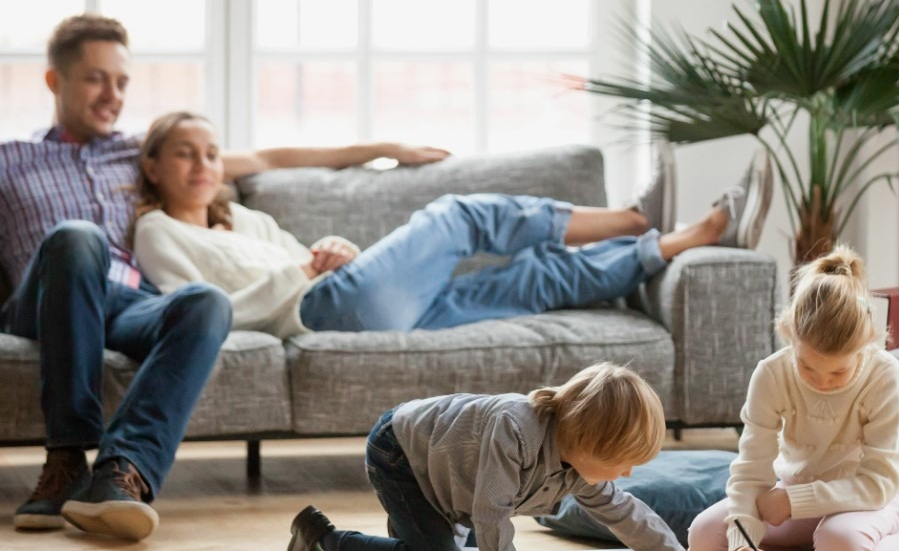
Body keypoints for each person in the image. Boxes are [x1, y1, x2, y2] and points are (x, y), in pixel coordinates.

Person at [0, 13, 448, 540]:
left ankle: (123, 475)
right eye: (96, 78)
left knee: (206, 302)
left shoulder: (138, 152)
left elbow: (268, 157)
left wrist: (382, 149)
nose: (112, 94)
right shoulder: (12, 161)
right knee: (78, 237)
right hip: (46, 301)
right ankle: (66, 457)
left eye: (121, 81)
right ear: (55, 80)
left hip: (124, 301)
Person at [130, 111, 774, 337]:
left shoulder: (243, 217)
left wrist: (331, 248)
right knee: (459, 215)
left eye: (211, 153)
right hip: (321, 309)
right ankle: (634, 217)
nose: (202, 164)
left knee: (533, 280)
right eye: (185, 153)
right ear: (153, 166)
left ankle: (680, 239)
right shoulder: (157, 232)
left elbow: (310, 254)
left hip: (357, 297)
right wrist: (305, 270)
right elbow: (198, 311)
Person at [286, 363, 751, 551]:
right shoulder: (515, 428)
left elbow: (633, 518)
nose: (626, 475)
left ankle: (415, 540)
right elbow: (492, 510)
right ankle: (324, 539)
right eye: (621, 462)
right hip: (402, 453)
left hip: (450, 478)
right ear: (587, 441)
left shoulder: (580, 468)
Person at [686, 245, 899, 551]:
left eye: (838, 373)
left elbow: (878, 484)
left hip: (872, 497)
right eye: (807, 367)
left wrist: (792, 502)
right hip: (795, 490)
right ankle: (809, 539)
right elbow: (751, 471)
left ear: (866, 344)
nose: (822, 383)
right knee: (703, 542)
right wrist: (742, 541)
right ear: (789, 334)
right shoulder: (771, 373)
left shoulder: (888, 377)